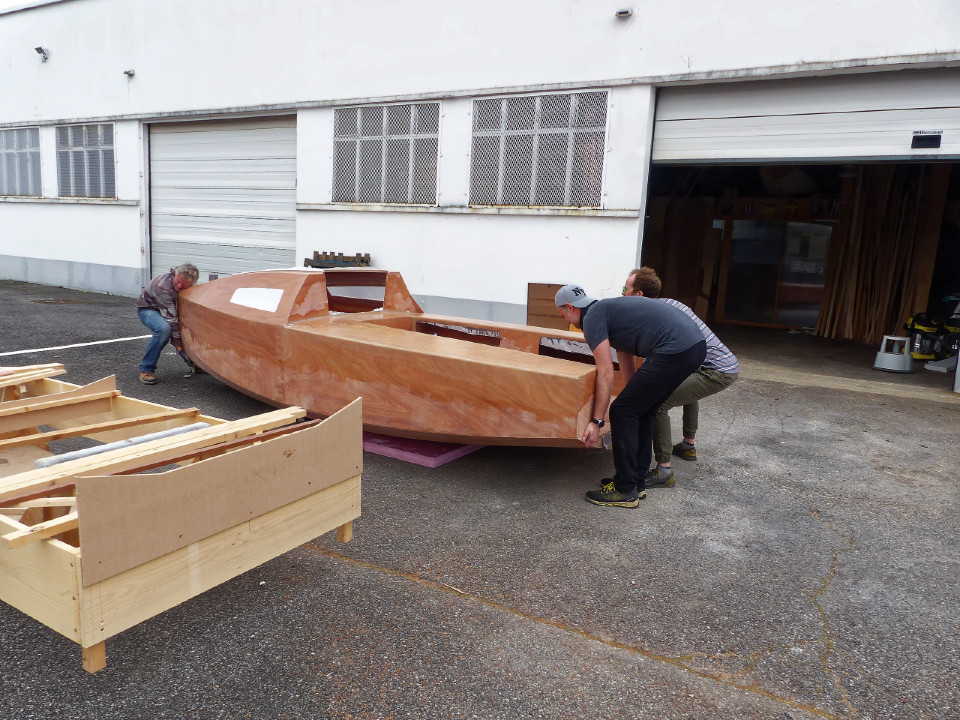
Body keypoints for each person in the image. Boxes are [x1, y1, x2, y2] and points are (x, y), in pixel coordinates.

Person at [555, 283, 706, 508]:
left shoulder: (592, 318)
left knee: (622, 411)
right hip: (692, 346)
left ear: (569, 307)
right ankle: (636, 482)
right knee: (641, 410)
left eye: (564, 315)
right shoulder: (609, 312)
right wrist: (632, 393)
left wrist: (597, 421)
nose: (568, 321)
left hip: (675, 348)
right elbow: (624, 355)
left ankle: (625, 489)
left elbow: (605, 372)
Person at [623, 267, 739, 486]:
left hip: (717, 370)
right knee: (682, 380)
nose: (621, 294)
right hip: (716, 364)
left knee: (659, 405)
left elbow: (660, 354)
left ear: (638, 295)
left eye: (624, 289)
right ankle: (688, 445)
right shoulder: (671, 304)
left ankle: (663, 470)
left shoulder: (654, 316)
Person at [136, 263, 200, 384]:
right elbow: (171, 320)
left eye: (184, 285)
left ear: (192, 283)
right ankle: (146, 369)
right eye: (178, 282)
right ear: (175, 274)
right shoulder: (163, 286)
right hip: (149, 309)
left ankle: (197, 363)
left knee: (191, 325)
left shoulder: (191, 286)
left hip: (169, 310)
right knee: (163, 329)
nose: (180, 286)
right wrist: (178, 345)